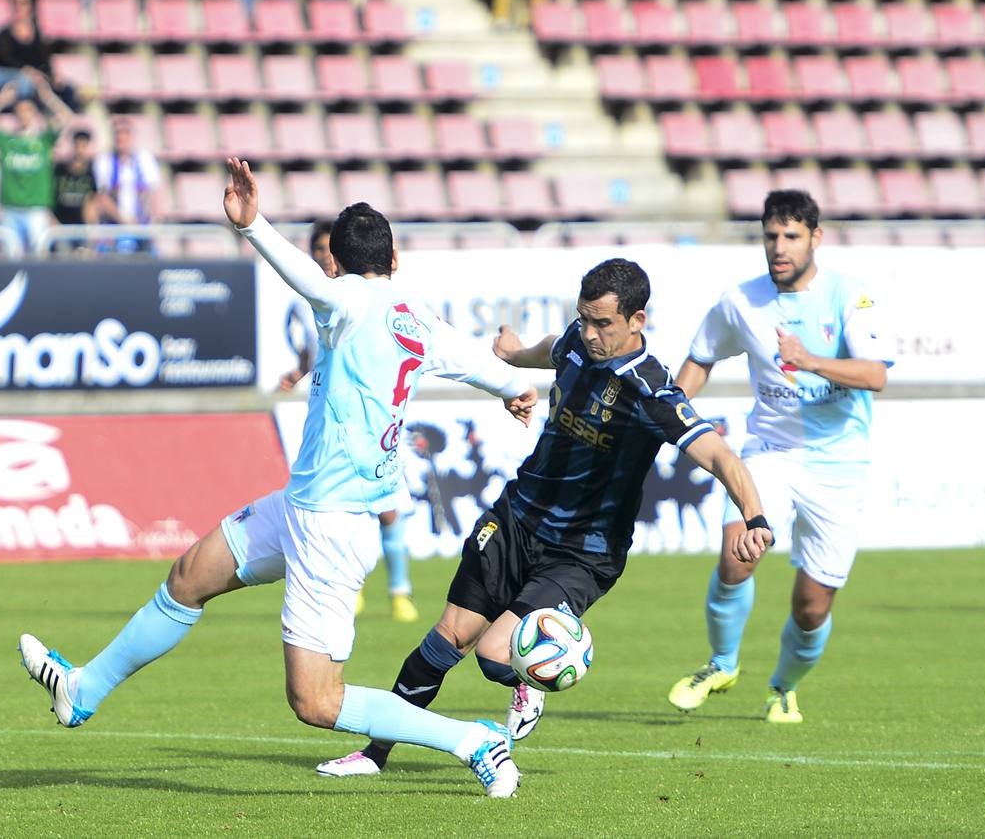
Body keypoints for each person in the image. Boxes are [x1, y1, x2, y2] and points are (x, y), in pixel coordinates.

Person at [18, 157, 539, 798]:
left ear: (335, 263)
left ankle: (472, 740)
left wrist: (252, 225)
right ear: (394, 258)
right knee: (188, 577)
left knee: (316, 702)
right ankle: (82, 690)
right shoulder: (419, 318)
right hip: (301, 507)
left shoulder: (345, 297)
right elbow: (491, 370)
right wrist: (515, 391)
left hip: (331, 527)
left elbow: (311, 284)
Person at [317, 257, 776, 778]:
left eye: (603, 323)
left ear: (636, 321)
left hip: (582, 551)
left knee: (495, 654)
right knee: (447, 638)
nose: (590, 333)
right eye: (584, 319)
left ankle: (525, 684)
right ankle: (374, 755)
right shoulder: (575, 345)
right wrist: (512, 352)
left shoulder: (652, 392)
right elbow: (548, 351)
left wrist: (756, 518)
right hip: (517, 518)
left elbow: (720, 456)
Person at [665, 190, 891, 724]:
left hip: (839, 466)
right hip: (770, 450)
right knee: (736, 555)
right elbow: (700, 359)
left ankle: (783, 687)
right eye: (770, 236)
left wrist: (808, 360)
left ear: (816, 237)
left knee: (812, 608)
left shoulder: (849, 296)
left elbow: (875, 375)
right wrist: (664, 413)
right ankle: (721, 663)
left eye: (791, 236)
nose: (779, 247)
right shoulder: (740, 302)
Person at [278, 220, 419, 623]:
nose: (323, 257)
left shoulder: (371, 300)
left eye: (328, 249)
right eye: (317, 250)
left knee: (387, 510)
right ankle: (348, 587)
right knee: (338, 508)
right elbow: (314, 356)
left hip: (374, 420)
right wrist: (297, 376)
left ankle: (399, 593)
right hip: (329, 423)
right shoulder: (310, 299)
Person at [0, 73, 71, 255]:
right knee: (11, 258)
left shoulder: (44, 140)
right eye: (20, 111)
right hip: (10, 208)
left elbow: (67, 117)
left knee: (40, 256)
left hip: (36, 208)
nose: (24, 116)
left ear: (34, 114)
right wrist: (1, 100)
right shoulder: (6, 141)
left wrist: (48, 97)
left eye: (28, 111)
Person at [93, 118, 159, 251]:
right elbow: (103, 197)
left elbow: (153, 194)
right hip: (114, 223)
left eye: (125, 133)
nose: (121, 137)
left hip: (141, 223)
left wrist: (150, 222)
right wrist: (125, 221)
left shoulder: (144, 159)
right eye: (118, 133)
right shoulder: (104, 160)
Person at [52, 128, 98, 229]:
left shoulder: (93, 170)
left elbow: (93, 200)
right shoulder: (59, 169)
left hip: (82, 228)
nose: (80, 150)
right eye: (78, 145)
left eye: (84, 146)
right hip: (60, 225)